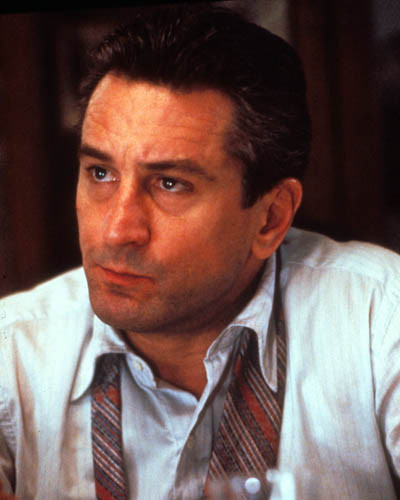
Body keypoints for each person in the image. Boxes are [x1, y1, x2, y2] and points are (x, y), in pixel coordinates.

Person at [0, 4, 399, 499]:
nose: (117, 230)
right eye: (100, 174)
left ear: (271, 218)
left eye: (170, 184)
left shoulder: (380, 319)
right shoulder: (12, 352)